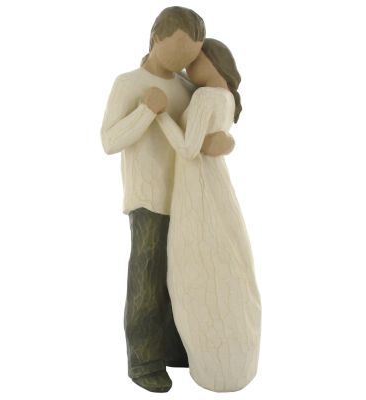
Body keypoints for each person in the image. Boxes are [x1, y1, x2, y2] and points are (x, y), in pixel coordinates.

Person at [100, 6, 212, 393]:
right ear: (155, 39)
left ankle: (177, 347)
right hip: (148, 198)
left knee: (183, 276)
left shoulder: (186, 87)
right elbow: (109, 141)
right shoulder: (128, 83)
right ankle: (145, 359)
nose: (184, 63)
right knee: (147, 277)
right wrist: (147, 110)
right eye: (177, 51)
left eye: (191, 55)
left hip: (188, 198)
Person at [147, 38, 262, 392]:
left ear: (214, 62)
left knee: (196, 265)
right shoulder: (225, 98)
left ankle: (212, 362)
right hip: (217, 184)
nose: (186, 67)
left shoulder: (204, 98)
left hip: (195, 187)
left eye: (194, 61)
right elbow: (212, 138)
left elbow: (187, 148)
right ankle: (233, 358)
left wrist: (161, 115)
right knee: (228, 259)